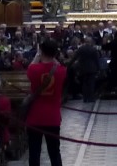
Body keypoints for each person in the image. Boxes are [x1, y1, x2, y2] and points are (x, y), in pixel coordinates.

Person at [25, 37, 67, 166]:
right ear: (55, 53)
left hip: (35, 116)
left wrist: (38, 55)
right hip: (53, 117)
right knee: (54, 152)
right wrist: (52, 56)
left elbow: (30, 67)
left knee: (34, 153)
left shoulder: (33, 69)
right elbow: (58, 65)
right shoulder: (61, 71)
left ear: (41, 51)